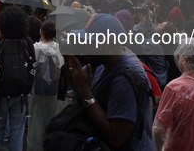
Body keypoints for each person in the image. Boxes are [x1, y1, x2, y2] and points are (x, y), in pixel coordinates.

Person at [65, 14, 156, 150]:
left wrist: (85, 93)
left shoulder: (124, 79)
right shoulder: (103, 62)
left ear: (110, 42)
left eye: (90, 42)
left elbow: (116, 137)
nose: (84, 47)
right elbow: (80, 81)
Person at [0, 6, 36, 151]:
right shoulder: (28, 41)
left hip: (0, 94)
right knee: (17, 131)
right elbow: (32, 64)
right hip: (21, 94)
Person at [27, 20, 64, 151]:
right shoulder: (57, 48)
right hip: (53, 88)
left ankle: (37, 146)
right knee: (52, 116)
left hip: (38, 88)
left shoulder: (36, 48)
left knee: (37, 118)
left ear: (41, 32)